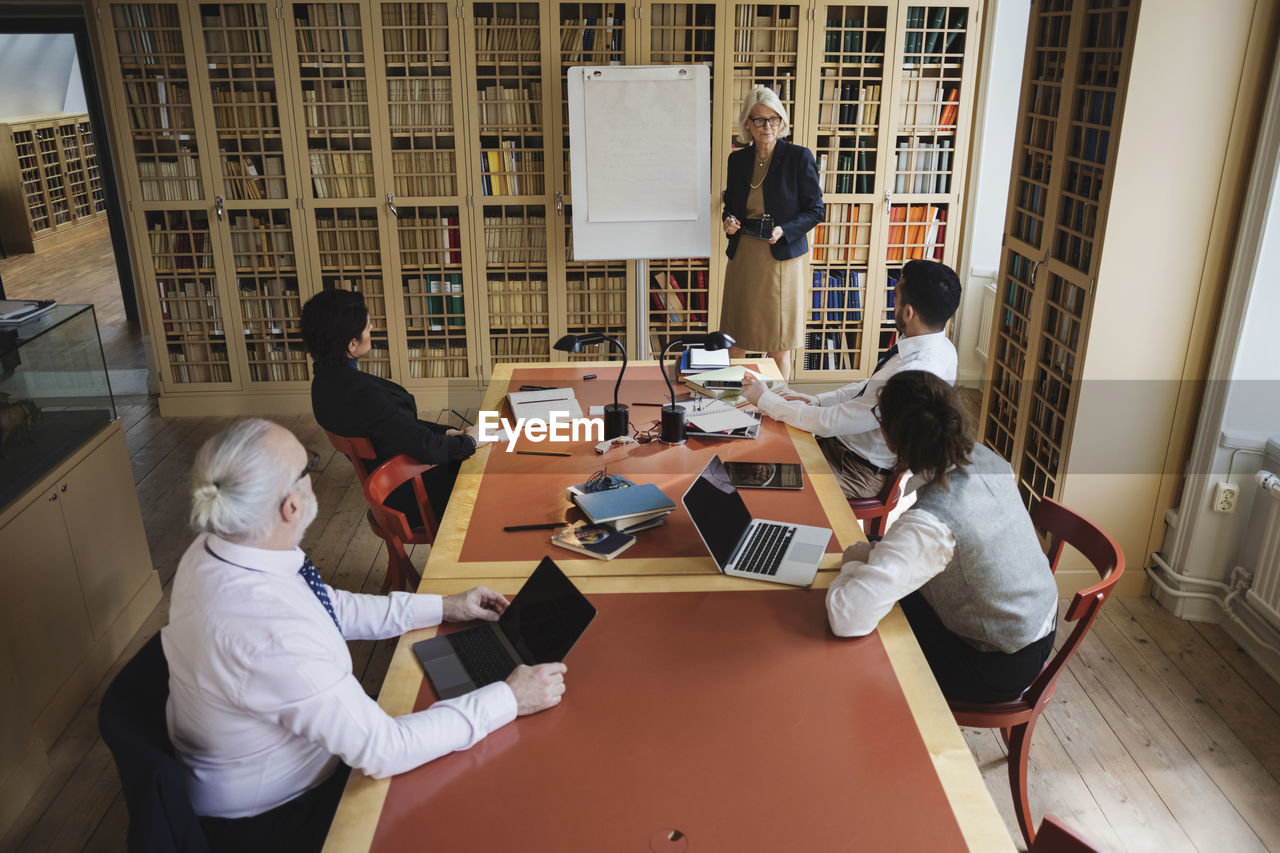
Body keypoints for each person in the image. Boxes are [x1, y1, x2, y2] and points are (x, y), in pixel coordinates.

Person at [163, 419, 567, 853]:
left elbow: (325, 606)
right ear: (291, 507)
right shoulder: (270, 635)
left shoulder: (222, 549)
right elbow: (384, 749)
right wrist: (510, 698)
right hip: (280, 816)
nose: (311, 479)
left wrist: (442, 606)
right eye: (307, 470)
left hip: (281, 760)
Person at [825, 371, 1058, 703]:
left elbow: (846, 619)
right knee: (889, 594)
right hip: (1035, 625)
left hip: (996, 663)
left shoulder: (933, 522)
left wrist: (852, 565)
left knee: (861, 649)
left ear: (890, 439)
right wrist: (874, 556)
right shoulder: (985, 458)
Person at [741, 258, 961, 499]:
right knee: (752, 449)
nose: (892, 301)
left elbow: (832, 421)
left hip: (857, 471)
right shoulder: (940, 347)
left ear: (908, 312)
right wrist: (817, 400)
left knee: (749, 480)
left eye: (895, 295)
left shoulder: (914, 371)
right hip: (840, 447)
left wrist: (766, 400)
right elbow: (868, 388)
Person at [302, 287, 481, 524]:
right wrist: (469, 441)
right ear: (352, 345)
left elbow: (394, 426)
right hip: (415, 494)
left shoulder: (324, 385)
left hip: (391, 484)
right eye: (367, 326)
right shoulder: (364, 396)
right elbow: (423, 447)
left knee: (492, 441)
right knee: (503, 462)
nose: (372, 328)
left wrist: (446, 432)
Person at [720, 85, 825, 382]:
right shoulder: (737, 160)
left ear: (781, 121)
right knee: (735, 341)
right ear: (747, 124)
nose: (767, 127)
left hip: (781, 257)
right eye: (759, 120)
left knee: (779, 346)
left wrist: (785, 229)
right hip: (745, 258)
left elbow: (816, 210)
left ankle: (776, 411)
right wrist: (729, 221)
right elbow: (732, 206)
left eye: (773, 119)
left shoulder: (798, 157)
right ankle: (731, 409)